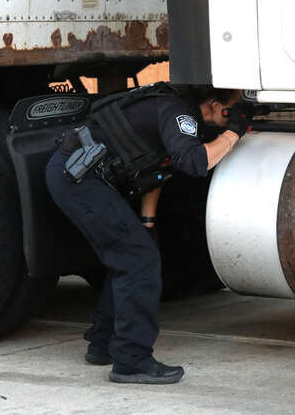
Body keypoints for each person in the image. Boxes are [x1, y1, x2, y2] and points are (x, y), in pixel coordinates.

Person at [45, 83, 253, 385]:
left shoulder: (182, 112)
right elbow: (194, 162)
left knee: (137, 254)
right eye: (230, 111)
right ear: (210, 104)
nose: (233, 116)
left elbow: (156, 169)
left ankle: (103, 343)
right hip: (77, 177)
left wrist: (148, 222)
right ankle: (131, 361)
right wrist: (234, 133)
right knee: (138, 261)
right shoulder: (178, 113)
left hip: (84, 176)